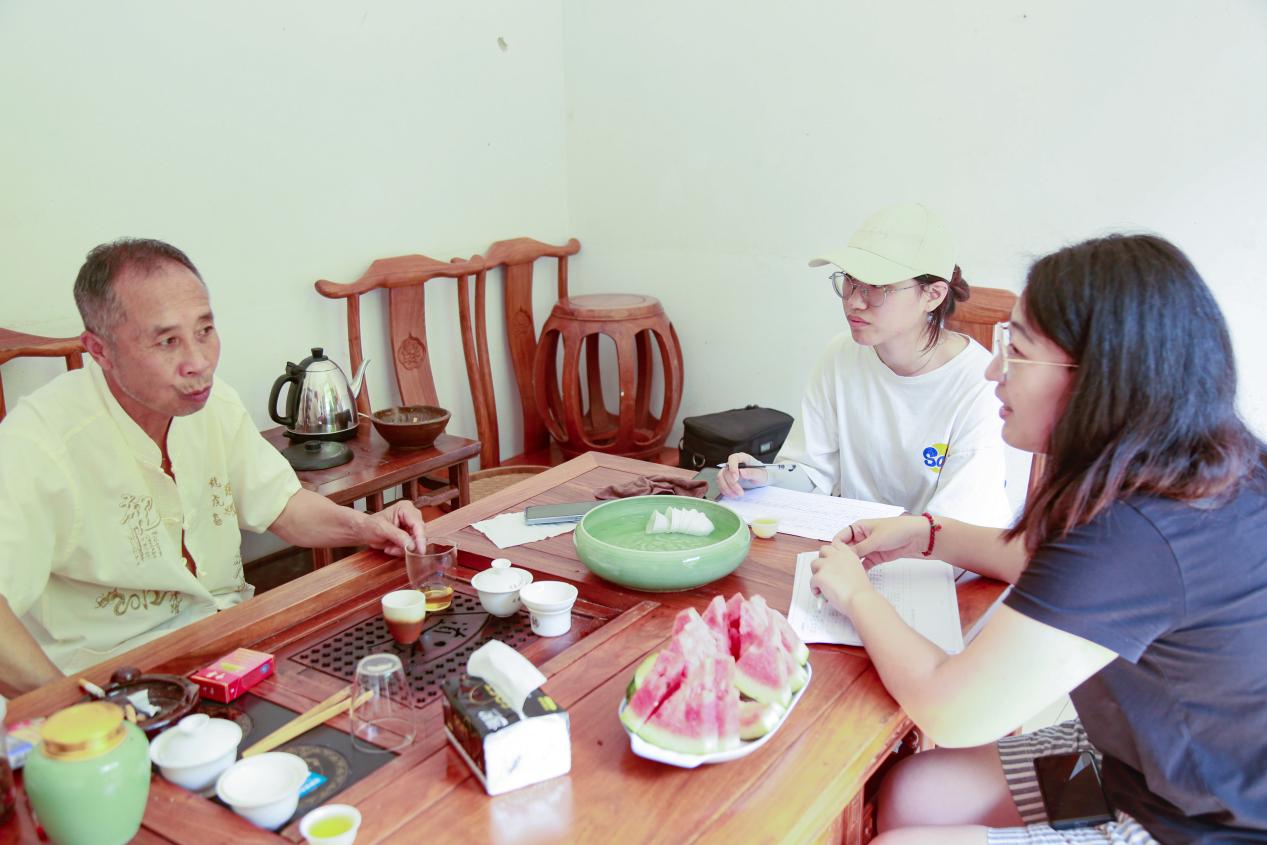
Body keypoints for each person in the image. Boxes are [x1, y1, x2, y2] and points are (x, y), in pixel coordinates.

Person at [811, 234, 1267, 843]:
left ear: (1099, 377)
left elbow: (952, 711)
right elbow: (1044, 565)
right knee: (919, 790)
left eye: (1017, 350)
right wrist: (928, 533)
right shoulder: (1193, 468)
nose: (993, 369)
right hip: (1132, 762)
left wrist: (856, 597)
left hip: (1193, 823)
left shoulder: (1135, 530)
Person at [0, 239, 428, 698]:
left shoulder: (213, 402)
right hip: (116, 684)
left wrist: (365, 527)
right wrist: (72, 708)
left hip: (230, 645)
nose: (199, 363)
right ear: (99, 350)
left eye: (204, 330)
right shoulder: (40, 442)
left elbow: (281, 506)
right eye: (168, 341)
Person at [718, 203, 1012, 528]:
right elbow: (814, 470)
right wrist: (764, 476)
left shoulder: (980, 383)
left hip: (933, 552)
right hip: (849, 541)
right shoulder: (841, 355)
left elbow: (956, 527)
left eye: (878, 287)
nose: (854, 301)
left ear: (933, 295)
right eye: (850, 281)